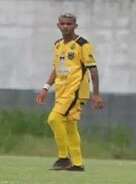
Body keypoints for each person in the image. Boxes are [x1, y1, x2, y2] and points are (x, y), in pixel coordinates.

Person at [35, 13, 104, 171]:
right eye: (63, 23)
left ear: (75, 26)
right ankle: (78, 163)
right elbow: (57, 68)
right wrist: (46, 88)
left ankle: (63, 157)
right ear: (58, 25)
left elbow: (92, 69)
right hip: (62, 90)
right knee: (70, 126)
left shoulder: (82, 44)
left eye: (69, 24)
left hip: (76, 90)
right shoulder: (58, 45)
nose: (66, 26)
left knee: (54, 119)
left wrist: (96, 93)